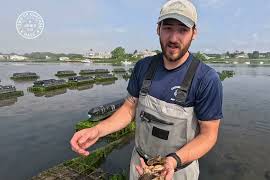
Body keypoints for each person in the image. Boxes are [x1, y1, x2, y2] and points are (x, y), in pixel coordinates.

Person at [70, 0, 223, 179]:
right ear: (158, 29)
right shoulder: (143, 67)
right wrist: (98, 129)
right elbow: (128, 109)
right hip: (140, 166)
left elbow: (208, 136)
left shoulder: (206, 79)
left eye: (182, 29)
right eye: (167, 28)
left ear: (194, 33)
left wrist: (174, 160)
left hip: (178, 170)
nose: (174, 38)